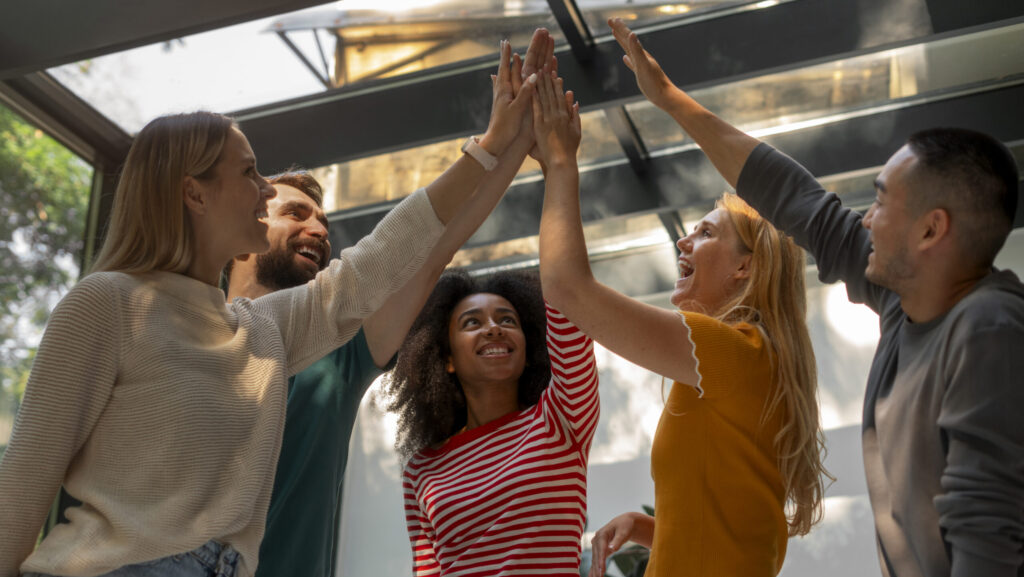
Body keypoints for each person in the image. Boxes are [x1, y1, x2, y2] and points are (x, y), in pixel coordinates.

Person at [0, 38, 536, 577]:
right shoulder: (109, 303)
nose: (262, 189)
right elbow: (22, 489)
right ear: (194, 192)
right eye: (250, 174)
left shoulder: (265, 333)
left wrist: (496, 145)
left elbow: (387, 256)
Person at [605, 16, 1024, 577]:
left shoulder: (988, 328)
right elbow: (794, 199)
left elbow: (986, 528)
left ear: (930, 230)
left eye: (880, 203)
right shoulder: (903, 300)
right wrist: (671, 101)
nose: (865, 220)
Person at [228, 30, 556, 576]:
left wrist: (515, 140)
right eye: (295, 214)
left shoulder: (341, 349)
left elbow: (435, 246)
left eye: (323, 222)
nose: (317, 228)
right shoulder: (192, 333)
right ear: (242, 228)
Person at [530, 56, 829, 576]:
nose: (682, 240)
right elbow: (733, 519)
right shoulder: (750, 361)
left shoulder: (735, 352)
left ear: (745, 268)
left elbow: (565, 288)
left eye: (706, 233)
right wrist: (651, 528)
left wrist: (560, 163)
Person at [386, 267, 599, 576]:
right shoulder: (422, 469)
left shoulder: (560, 419)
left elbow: (568, 293)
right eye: (472, 322)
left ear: (528, 351)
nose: (493, 329)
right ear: (447, 360)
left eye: (507, 320)